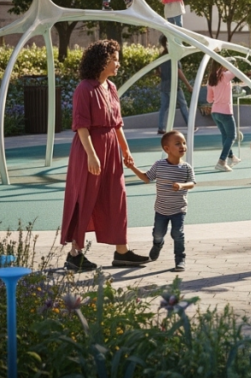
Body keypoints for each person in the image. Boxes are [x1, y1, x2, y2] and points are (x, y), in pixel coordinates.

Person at [62, 40, 150, 271]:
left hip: (111, 149)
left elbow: (117, 124)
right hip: (89, 150)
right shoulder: (84, 89)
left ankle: (122, 252)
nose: (118, 63)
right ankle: (74, 254)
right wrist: (91, 155)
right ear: (102, 61)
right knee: (85, 198)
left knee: (116, 197)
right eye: (115, 59)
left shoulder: (110, 88)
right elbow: (81, 126)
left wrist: (126, 150)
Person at [125, 131, 196, 273]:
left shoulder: (187, 167)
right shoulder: (159, 165)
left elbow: (192, 183)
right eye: (177, 144)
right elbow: (146, 178)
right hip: (161, 210)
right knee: (158, 233)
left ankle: (180, 259)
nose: (182, 146)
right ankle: (157, 244)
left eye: (183, 143)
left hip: (179, 210)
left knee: (178, 234)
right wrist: (132, 167)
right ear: (167, 149)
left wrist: (182, 185)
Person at [206, 61, 241, 172]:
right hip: (225, 111)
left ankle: (231, 157)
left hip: (215, 112)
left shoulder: (211, 79)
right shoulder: (225, 76)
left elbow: (209, 99)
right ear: (221, 64)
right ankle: (222, 161)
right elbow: (236, 70)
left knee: (226, 136)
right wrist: (234, 63)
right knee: (232, 136)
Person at [156, 35, 191, 134]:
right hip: (174, 86)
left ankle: (161, 127)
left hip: (164, 86)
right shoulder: (173, 55)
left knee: (164, 107)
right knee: (183, 105)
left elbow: (159, 71)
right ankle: (190, 125)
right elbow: (179, 72)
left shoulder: (162, 56)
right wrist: (188, 85)